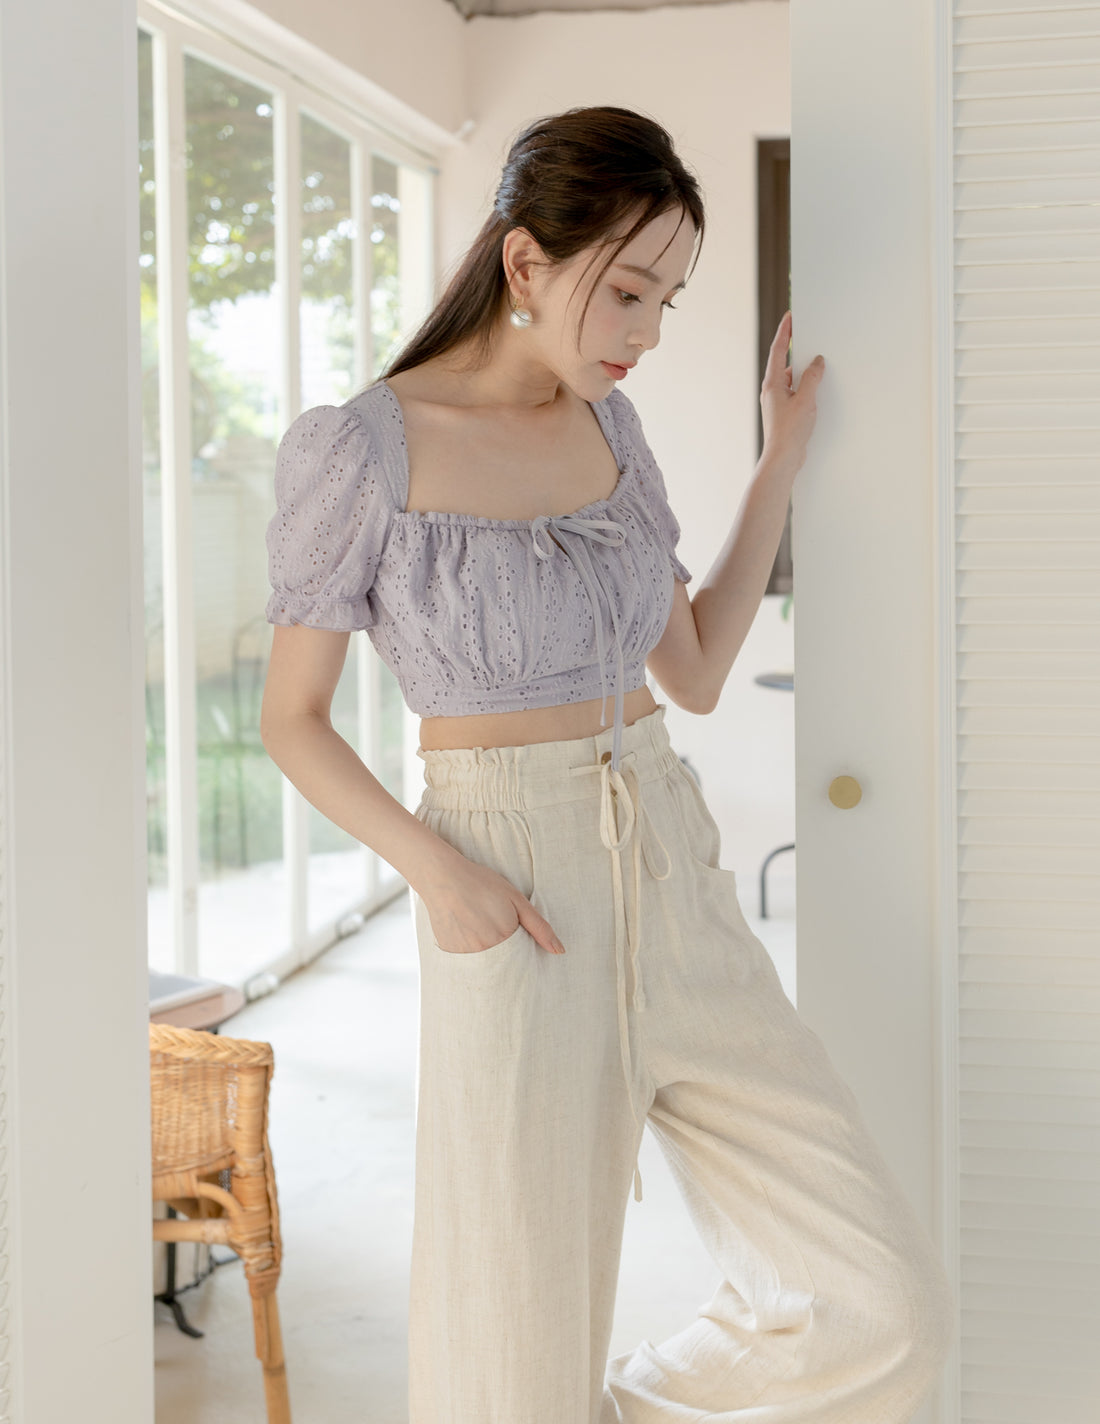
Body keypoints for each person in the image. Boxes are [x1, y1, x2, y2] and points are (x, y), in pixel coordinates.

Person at [260, 105, 954, 1424]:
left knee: (880, 1307)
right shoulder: (363, 448)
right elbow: (292, 717)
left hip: (672, 864)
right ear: (526, 261)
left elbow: (690, 669)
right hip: (513, 892)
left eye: (666, 301)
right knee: (508, 1352)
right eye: (627, 291)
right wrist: (443, 874)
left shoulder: (611, 431)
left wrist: (780, 459)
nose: (645, 331)